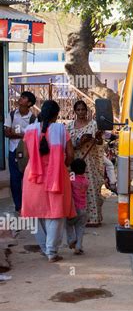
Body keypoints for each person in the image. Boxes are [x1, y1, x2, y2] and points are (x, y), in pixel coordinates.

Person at [21, 100, 75, 262]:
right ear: (56, 115)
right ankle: (51, 252)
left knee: (36, 213)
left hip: (33, 177)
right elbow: (71, 155)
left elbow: (26, 155)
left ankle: (45, 249)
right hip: (56, 176)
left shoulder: (29, 130)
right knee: (55, 214)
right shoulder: (61, 129)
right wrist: (63, 165)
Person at [66, 101, 104, 227]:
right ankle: (75, 217)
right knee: (74, 189)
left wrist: (95, 139)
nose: (81, 112)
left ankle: (93, 219)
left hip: (89, 162)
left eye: (83, 109)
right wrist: (78, 143)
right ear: (75, 111)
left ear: (86, 111)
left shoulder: (93, 125)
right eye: (78, 110)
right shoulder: (69, 127)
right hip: (74, 162)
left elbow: (99, 143)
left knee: (91, 188)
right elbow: (67, 145)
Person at [4, 91, 36, 216]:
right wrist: (24, 134)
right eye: (21, 97)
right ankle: (19, 206)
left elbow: (33, 135)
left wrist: (15, 134)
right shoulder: (11, 115)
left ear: (29, 103)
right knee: (15, 180)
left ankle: (28, 205)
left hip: (27, 152)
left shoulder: (33, 118)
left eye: (23, 98)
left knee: (28, 180)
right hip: (13, 151)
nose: (20, 99)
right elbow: (7, 133)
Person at [66, 158, 89, 255]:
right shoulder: (85, 180)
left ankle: (71, 239)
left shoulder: (72, 178)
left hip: (73, 208)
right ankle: (78, 246)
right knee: (80, 228)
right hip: (83, 208)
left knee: (68, 224)